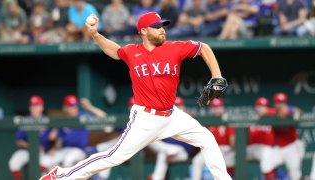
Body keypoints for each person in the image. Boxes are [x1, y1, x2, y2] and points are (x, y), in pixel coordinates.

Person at [40, 11, 231, 180]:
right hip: (145, 119)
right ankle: (60, 175)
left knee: (207, 139)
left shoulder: (174, 48)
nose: (162, 30)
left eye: (163, 26)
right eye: (156, 27)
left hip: (172, 116)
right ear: (144, 31)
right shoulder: (132, 52)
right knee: (113, 157)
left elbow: (204, 47)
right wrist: (95, 34)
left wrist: (217, 75)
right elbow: (114, 50)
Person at [147, 97, 194, 180]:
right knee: (160, 151)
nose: (178, 108)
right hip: (169, 151)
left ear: (183, 107)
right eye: (176, 106)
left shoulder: (188, 118)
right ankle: (156, 178)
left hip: (183, 152)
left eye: (180, 106)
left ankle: (156, 177)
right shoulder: (168, 119)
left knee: (166, 151)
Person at [9, 96, 52, 179]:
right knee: (13, 162)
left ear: (42, 107)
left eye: (37, 106)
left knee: (47, 163)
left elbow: (54, 139)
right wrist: (32, 146)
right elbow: (19, 141)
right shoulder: (24, 121)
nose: (34, 108)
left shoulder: (48, 121)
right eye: (32, 106)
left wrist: (52, 145)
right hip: (27, 150)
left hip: (43, 151)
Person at [40, 95, 89, 169]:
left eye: (74, 106)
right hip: (65, 149)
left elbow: (103, 118)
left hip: (80, 151)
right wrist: (53, 148)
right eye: (70, 106)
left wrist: (90, 108)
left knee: (68, 159)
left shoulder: (83, 116)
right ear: (64, 108)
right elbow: (56, 139)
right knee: (44, 161)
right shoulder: (62, 121)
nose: (73, 109)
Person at [191, 98, 235, 179]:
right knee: (197, 160)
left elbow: (233, 141)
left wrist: (232, 150)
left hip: (225, 149)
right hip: (210, 148)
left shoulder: (227, 119)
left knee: (223, 163)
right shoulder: (209, 120)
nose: (216, 109)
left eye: (218, 107)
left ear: (222, 107)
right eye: (214, 107)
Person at [266, 92, 305, 180]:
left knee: (295, 174)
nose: (280, 105)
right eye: (278, 103)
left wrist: (289, 109)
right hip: (277, 148)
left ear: (285, 103)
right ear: (274, 104)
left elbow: (300, 112)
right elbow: (262, 112)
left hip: (291, 146)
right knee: (266, 165)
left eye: (282, 103)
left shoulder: (291, 112)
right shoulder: (271, 112)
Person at [248, 97, 276, 179]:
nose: (261, 108)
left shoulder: (272, 114)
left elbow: (284, 111)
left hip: (266, 148)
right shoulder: (251, 117)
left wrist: (291, 109)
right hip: (251, 148)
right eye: (259, 106)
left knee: (266, 165)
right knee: (235, 157)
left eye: (264, 106)